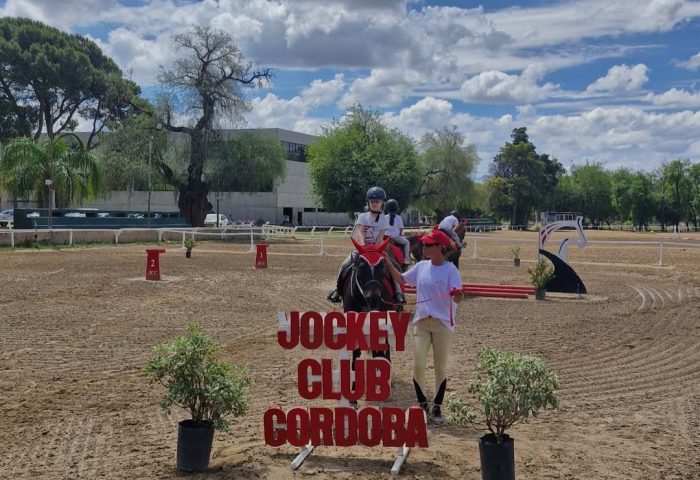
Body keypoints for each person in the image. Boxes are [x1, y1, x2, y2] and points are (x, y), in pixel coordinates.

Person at [384, 229, 464, 426]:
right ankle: (422, 405)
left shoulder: (451, 270)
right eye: (424, 244)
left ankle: (437, 407)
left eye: (428, 245)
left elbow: (458, 298)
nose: (424, 247)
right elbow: (402, 279)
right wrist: (387, 261)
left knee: (439, 367)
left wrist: (457, 294)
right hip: (421, 323)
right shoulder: (420, 266)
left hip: (442, 324)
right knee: (418, 364)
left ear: (439, 247)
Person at [327, 186, 406, 304]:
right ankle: (338, 290)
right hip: (362, 249)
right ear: (368, 203)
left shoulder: (384, 219)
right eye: (372, 201)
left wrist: (376, 250)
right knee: (345, 264)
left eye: (377, 201)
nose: (374, 204)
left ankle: (397, 292)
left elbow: (380, 237)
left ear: (382, 203)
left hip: (376, 250)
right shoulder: (363, 217)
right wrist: (363, 248)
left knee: (392, 266)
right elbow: (360, 232)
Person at [384, 199, 411, 269]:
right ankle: (407, 259)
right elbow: (401, 229)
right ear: (396, 208)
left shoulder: (384, 217)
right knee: (407, 242)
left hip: (385, 237)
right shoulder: (398, 217)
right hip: (395, 237)